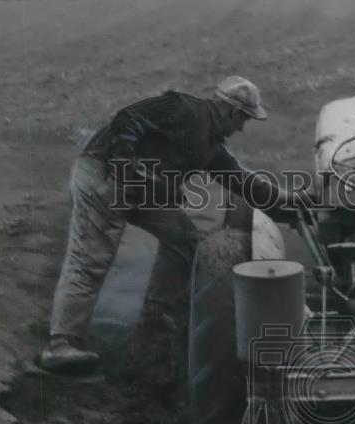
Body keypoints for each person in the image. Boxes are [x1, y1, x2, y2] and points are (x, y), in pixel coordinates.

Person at [41, 76, 299, 371]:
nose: (241, 128)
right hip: (104, 175)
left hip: (140, 190)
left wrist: (290, 202)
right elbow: (128, 118)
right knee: (90, 257)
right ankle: (61, 344)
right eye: (243, 119)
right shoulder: (184, 109)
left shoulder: (211, 146)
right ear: (231, 111)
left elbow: (242, 181)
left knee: (186, 241)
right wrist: (124, 169)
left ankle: (155, 311)